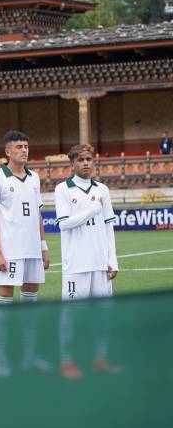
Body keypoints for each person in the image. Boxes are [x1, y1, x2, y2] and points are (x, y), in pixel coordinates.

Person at [54, 144, 119, 378]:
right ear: (72, 164)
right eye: (80, 160)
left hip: (100, 264)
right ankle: (66, 361)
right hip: (76, 264)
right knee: (70, 315)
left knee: (103, 315)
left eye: (89, 159)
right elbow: (63, 223)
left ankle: (101, 359)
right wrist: (92, 210)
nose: (86, 163)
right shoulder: (63, 189)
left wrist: (113, 260)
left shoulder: (102, 189)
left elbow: (109, 225)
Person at [0, 130, 49, 305]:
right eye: (19, 147)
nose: (24, 151)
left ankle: (28, 332)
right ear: (8, 152)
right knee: (5, 298)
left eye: (26, 147)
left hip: (33, 248)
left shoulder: (34, 177)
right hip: (10, 249)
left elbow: (38, 215)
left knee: (30, 298)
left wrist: (43, 247)